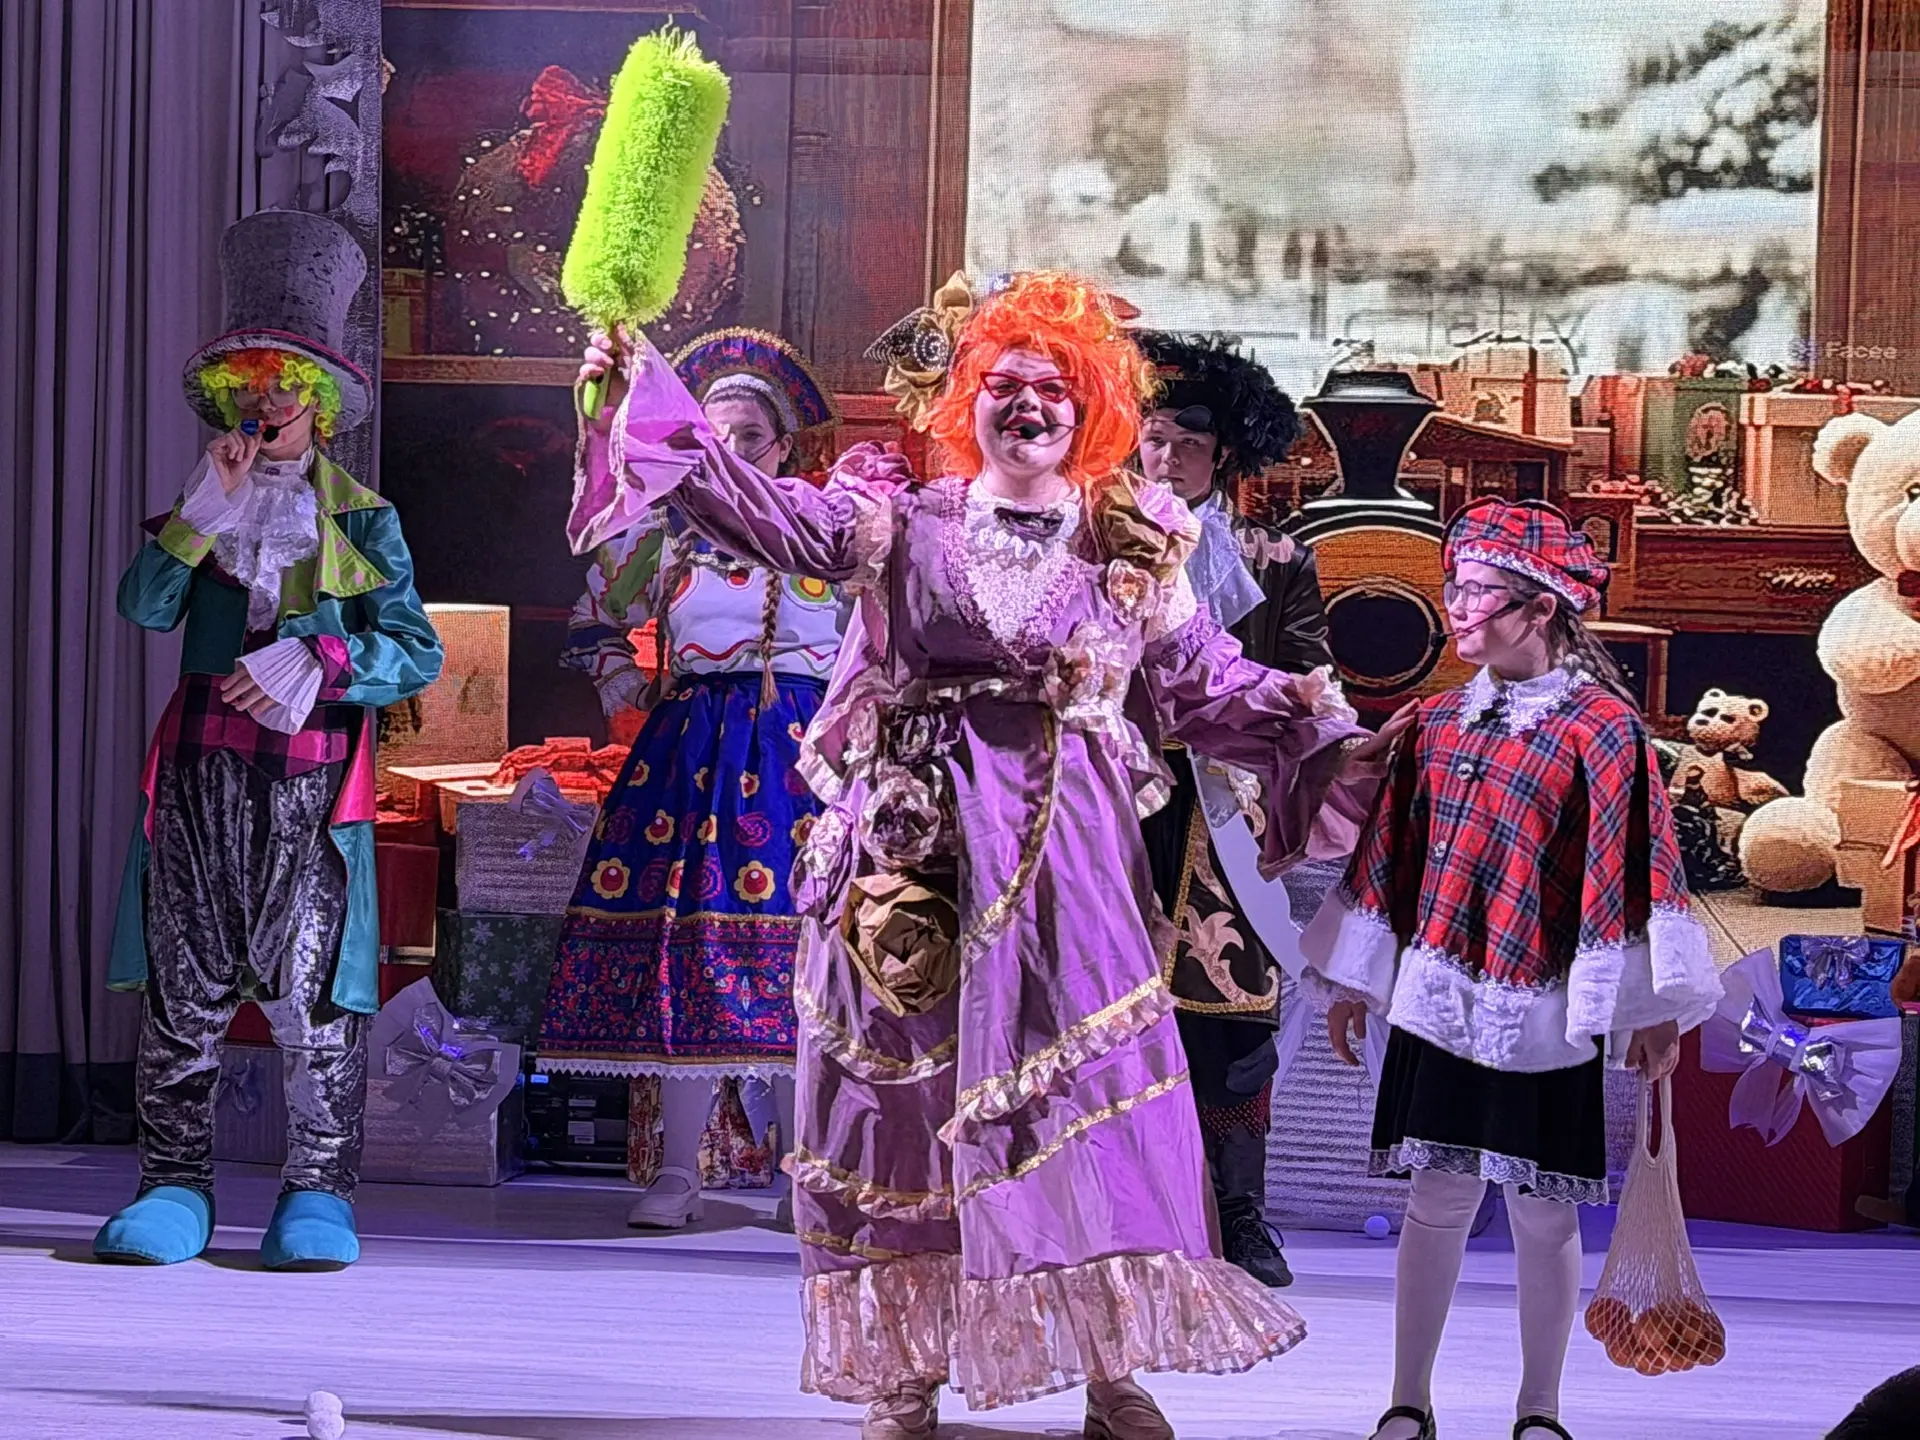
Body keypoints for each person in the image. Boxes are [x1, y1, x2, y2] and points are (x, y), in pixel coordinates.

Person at [579, 271, 1408, 1440]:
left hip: (1070, 852)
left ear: (1091, 409)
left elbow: (1204, 686)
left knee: (1091, 1098)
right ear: (967, 399)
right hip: (914, 847)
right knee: (900, 1098)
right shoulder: (900, 518)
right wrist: (641, 391)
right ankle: (904, 1374)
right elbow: (763, 516)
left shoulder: (1131, 540)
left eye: (1055, 389)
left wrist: (1327, 733)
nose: (1029, 405)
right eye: (1005, 383)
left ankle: (1112, 1369)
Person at [1301, 498, 1725, 1440]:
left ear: (1540, 608)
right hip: (1438, 999)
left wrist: (1648, 1005)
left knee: (1542, 1208)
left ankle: (1540, 1408)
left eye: (1480, 593)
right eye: (1453, 588)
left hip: (1547, 1010)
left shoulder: (1602, 729)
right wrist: (1354, 980)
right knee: (1436, 1195)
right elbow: (1392, 853)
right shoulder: (1437, 721)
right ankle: (1408, 1399)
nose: (1458, 609)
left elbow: (1638, 864)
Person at [97, 210, 443, 1269]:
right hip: (200, 777)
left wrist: (324, 659)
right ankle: (174, 1184)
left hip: (311, 788)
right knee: (185, 985)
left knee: (314, 994)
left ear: (319, 402)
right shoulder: (202, 506)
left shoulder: (365, 519)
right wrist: (202, 511)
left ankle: (318, 1191)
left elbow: (415, 650)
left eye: (286, 384)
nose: (265, 403)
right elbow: (143, 607)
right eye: (248, 384)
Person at [540, 329, 842, 1228]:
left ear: (782, 447)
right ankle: (679, 1171)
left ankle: (802, 1176)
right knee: (688, 951)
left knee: (804, 960)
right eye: (716, 435)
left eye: (751, 436)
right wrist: (623, 686)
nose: (734, 450)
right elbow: (595, 609)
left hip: (800, 760)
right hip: (691, 756)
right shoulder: (667, 535)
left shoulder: (821, 527)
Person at [1132, 330, 1334, 1289]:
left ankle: (1240, 1210)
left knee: (1236, 1016)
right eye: (1154, 439)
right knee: (1108, 1006)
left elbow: (1310, 673)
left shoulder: (1276, 555)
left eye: (1189, 445)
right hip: (1116, 797)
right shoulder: (1096, 536)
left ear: (1226, 456)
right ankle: (1127, 1211)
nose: (1167, 459)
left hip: (1226, 805)